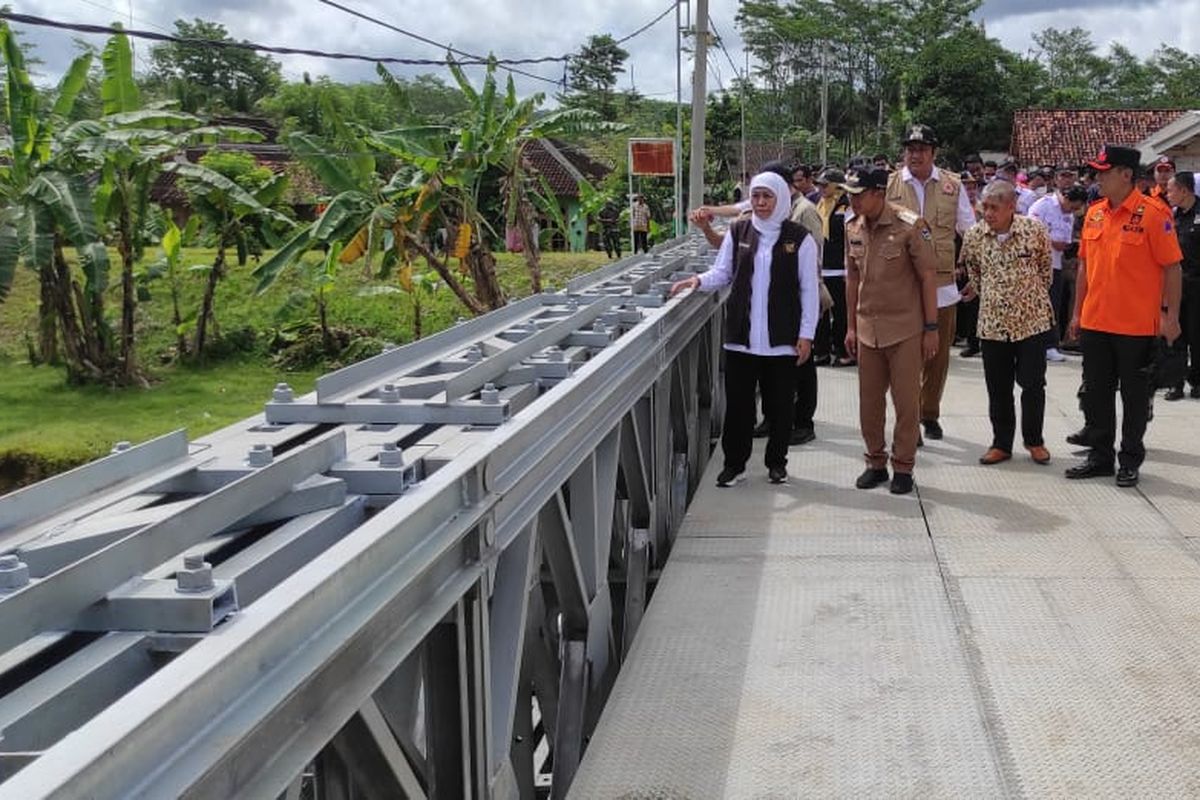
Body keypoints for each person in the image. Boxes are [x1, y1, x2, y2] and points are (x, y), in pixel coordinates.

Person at [669, 171, 819, 486]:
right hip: (741, 338)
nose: (761, 203)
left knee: (780, 406)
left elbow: (809, 290)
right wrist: (697, 281)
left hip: (782, 339)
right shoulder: (739, 231)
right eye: (756, 196)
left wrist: (806, 334)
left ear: (780, 199)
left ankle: (777, 463)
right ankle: (734, 464)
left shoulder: (799, 238)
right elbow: (722, 272)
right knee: (739, 406)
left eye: (767, 197)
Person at [1065, 144, 1183, 488]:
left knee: (1134, 398)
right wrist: (1077, 312)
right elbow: (1084, 267)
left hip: (1136, 326)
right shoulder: (1095, 213)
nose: (1097, 178)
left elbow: (1172, 268)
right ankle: (1100, 457)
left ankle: (1129, 459)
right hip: (1096, 322)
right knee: (1096, 394)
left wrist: (1171, 316)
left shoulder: (1154, 214)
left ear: (1126, 175)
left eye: (1104, 172)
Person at [843, 167, 940, 495]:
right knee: (869, 403)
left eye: (859, 195)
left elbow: (928, 276)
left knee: (906, 403)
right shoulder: (853, 226)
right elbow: (852, 278)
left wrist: (931, 327)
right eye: (850, 195)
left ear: (878, 193)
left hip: (905, 329)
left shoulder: (910, 225)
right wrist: (850, 326)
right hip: (867, 329)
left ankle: (903, 466)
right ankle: (875, 462)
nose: (853, 201)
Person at [885, 123, 976, 442]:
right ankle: (909, 418)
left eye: (922, 149)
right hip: (903, 283)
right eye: (910, 149)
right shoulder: (890, 185)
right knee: (906, 357)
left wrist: (975, 271)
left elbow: (970, 230)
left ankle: (930, 413)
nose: (915, 155)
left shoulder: (953, 185)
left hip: (942, 285)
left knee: (938, 357)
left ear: (933, 153)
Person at [959, 180, 1055, 466]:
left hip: (1031, 322)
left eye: (994, 208)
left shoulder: (1034, 230)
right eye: (985, 207)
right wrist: (996, 297)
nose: (988, 213)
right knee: (998, 387)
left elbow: (1045, 271)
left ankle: (1034, 441)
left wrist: (1025, 297)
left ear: (1012, 206)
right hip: (993, 323)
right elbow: (974, 273)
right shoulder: (974, 235)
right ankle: (1001, 444)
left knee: (1033, 384)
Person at [1029, 184, 1088, 362]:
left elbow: (1066, 238)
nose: (1072, 211)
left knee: (1053, 306)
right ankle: (1033, 345)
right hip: (1036, 264)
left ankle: (1050, 345)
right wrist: (1051, 241)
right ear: (1065, 197)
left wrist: (1066, 245)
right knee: (1034, 306)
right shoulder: (1043, 205)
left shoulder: (1069, 215)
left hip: (1056, 265)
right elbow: (1029, 231)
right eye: (1072, 206)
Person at [1165, 171, 1200, 400]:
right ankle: (1175, 383)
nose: (1168, 194)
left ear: (1184, 191)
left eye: (1171, 190)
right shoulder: (1172, 216)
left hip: (1197, 285)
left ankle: (1197, 382)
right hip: (1176, 285)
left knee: (1197, 335)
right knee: (1175, 334)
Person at [814, 168, 853, 366]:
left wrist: (849, 266)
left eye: (825, 185)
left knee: (840, 313)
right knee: (820, 313)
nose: (821, 188)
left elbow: (850, 237)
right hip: (821, 267)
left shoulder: (847, 206)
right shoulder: (819, 204)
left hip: (840, 269)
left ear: (837, 186)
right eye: (819, 185)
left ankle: (843, 351)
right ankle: (821, 351)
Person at [956, 170, 982, 358]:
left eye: (973, 187)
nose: (970, 191)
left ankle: (974, 341)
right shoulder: (953, 207)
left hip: (976, 259)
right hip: (958, 258)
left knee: (974, 303)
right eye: (967, 187)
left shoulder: (983, 208)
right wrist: (959, 262)